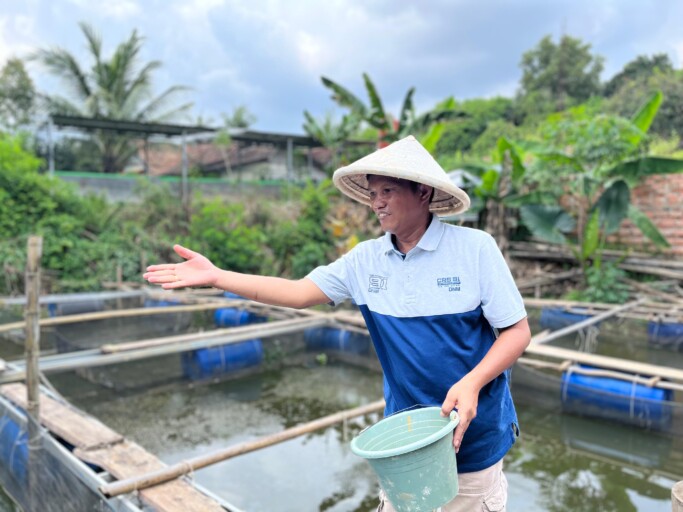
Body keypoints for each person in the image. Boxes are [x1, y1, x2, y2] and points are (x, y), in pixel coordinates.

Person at [143, 135, 531, 511]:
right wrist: (217, 276)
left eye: (387, 192)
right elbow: (297, 293)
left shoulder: (474, 249)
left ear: (423, 193)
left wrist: (472, 382)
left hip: (474, 437)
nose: (376, 204)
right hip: (406, 439)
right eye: (373, 194)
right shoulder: (365, 261)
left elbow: (517, 331)